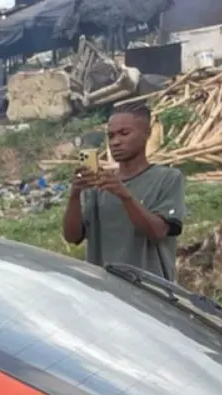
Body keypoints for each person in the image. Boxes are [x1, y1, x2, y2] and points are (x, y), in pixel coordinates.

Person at [64, 104, 186, 281]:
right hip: (105, 291)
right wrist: (75, 195)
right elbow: (72, 236)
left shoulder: (168, 178)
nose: (115, 142)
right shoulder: (98, 185)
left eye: (124, 133)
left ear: (147, 133)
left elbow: (158, 232)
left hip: (149, 290)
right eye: (111, 136)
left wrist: (124, 195)